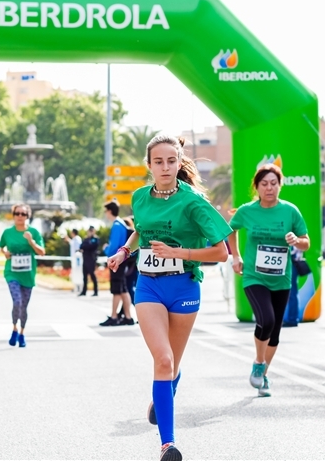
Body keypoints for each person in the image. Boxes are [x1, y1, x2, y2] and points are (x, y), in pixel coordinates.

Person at [108, 135, 230, 461]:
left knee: (172, 365)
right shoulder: (139, 197)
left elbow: (221, 252)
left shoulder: (193, 202)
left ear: (179, 162)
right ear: (148, 165)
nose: (165, 167)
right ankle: (168, 444)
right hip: (148, 285)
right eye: (158, 162)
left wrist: (180, 252)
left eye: (171, 161)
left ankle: (161, 396)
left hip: (185, 286)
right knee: (163, 360)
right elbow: (141, 231)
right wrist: (123, 251)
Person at [227, 163, 309, 397]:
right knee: (267, 319)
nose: (269, 188)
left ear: (280, 185)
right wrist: (236, 256)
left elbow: (306, 241)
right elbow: (230, 229)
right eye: (264, 184)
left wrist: (296, 240)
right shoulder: (247, 211)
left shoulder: (290, 211)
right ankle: (259, 363)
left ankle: (262, 373)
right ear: (257, 186)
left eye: (274, 183)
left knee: (275, 331)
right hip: (254, 276)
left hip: (281, 278)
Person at [0, 204, 45, 348]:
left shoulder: (34, 232)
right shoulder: (7, 232)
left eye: (23, 214)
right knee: (17, 302)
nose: (20, 216)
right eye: (17, 214)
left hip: (28, 274)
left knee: (24, 306)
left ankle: (22, 333)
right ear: (13, 216)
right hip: (12, 272)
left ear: (28, 216)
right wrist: (4, 252)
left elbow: (42, 252)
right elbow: (2, 246)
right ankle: (14, 328)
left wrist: (31, 241)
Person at [100, 201, 135, 326]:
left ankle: (114, 317)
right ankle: (128, 316)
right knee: (123, 289)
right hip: (123, 261)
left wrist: (105, 249)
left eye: (106, 211)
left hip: (116, 261)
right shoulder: (121, 223)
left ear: (110, 211)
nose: (106, 214)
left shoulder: (116, 225)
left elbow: (114, 246)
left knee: (117, 290)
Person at [122, 216, 139, 312]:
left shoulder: (131, 234)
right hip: (133, 266)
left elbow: (133, 252)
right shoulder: (131, 234)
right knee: (127, 289)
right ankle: (123, 313)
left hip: (132, 267)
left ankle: (137, 310)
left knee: (128, 289)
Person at [79, 226, 99, 297]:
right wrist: (86, 245)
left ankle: (96, 291)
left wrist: (86, 246)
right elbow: (81, 246)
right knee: (84, 276)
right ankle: (84, 291)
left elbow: (92, 246)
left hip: (91, 259)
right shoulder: (86, 239)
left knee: (92, 275)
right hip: (85, 259)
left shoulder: (95, 239)